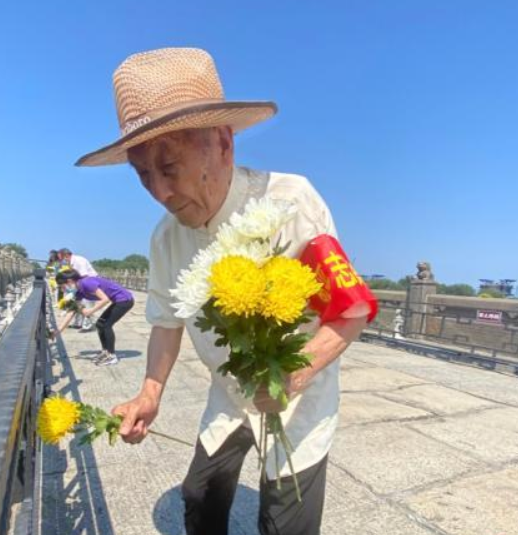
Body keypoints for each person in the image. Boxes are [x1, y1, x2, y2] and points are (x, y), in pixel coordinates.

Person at [75, 48, 373, 535]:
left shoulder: (289, 202)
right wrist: (150, 393)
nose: (160, 193)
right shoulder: (165, 238)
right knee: (199, 498)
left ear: (223, 143)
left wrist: (295, 374)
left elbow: (352, 308)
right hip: (229, 394)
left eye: (170, 166)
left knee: (285, 522)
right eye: (143, 174)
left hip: (299, 395)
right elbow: (167, 322)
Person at [52, 269, 135, 366]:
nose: (63, 290)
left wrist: (90, 311)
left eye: (62, 286)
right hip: (117, 301)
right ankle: (105, 352)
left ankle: (112, 356)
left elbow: (105, 299)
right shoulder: (78, 291)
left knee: (106, 325)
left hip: (125, 300)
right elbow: (71, 312)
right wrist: (58, 331)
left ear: (69, 281)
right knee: (99, 324)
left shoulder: (86, 283)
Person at [59, 248, 99, 330]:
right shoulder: (71, 263)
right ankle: (78, 323)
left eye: (61, 258)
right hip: (81, 284)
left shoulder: (78, 261)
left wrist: (75, 288)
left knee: (87, 304)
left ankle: (87, 325)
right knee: (78, 303)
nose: (61, 261)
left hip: (89, 284)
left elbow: (84, 275)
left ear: (66, 256)